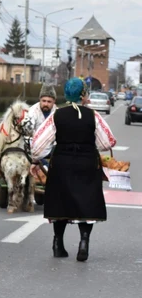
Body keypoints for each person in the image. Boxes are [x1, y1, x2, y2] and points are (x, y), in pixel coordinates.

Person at [30, 78, 116, 262]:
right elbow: (107, 142)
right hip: (87, 163)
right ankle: (84, 242)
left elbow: (37, 146)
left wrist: (37, 159)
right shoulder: (93, 115)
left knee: (60, 202)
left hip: (61, 163)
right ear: (83, 95)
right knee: (87, 203)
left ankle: (58, 244)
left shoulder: (56, 115)